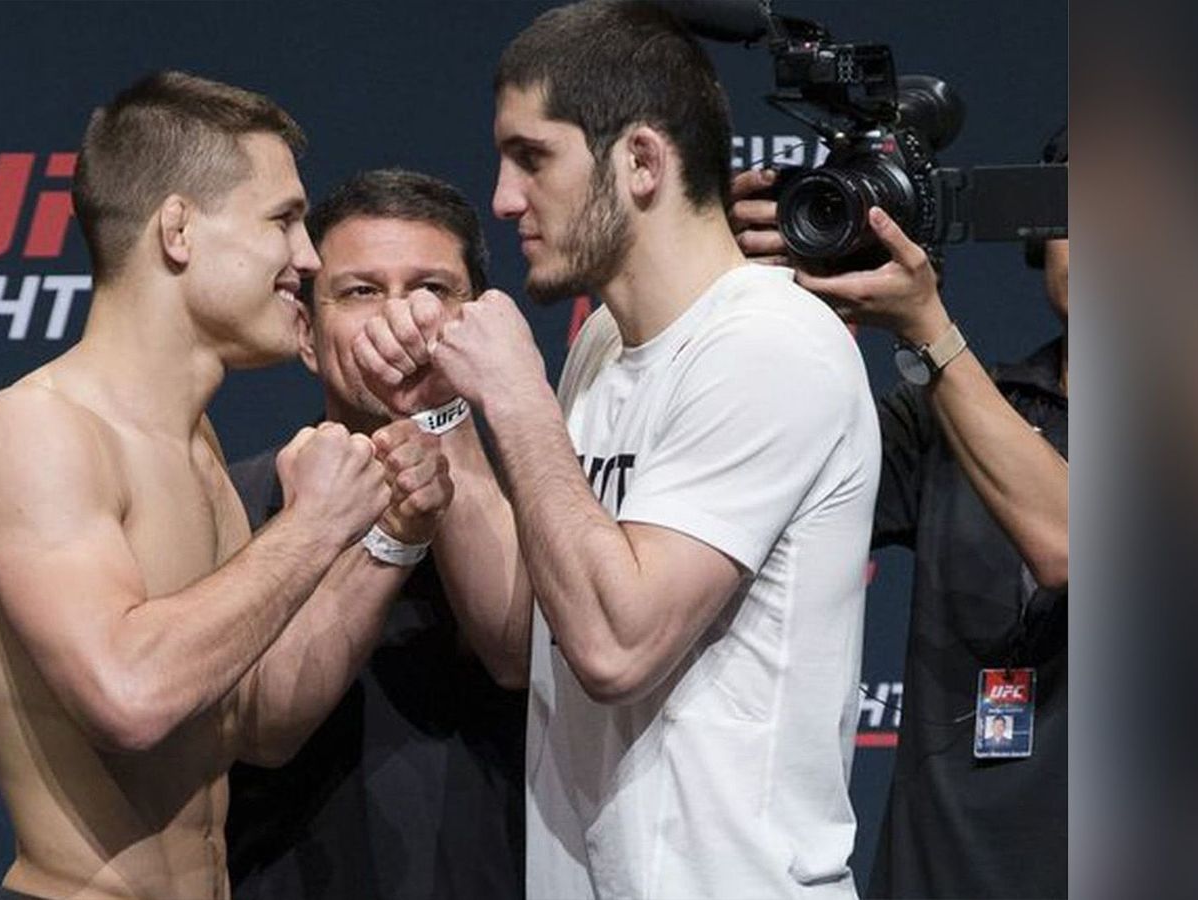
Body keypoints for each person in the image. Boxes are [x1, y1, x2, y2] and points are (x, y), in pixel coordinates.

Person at [351, 3, 882, 896]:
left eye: (532, 157)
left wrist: (517, 397)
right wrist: (447, 417)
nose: (504, 198)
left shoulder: (767, 345)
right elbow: (526, 642)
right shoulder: (601, 343)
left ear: (641, 160)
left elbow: (613, 646)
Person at [0, 71, 453, 900]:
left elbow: (261, 724)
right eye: (282, 220)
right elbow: (129, 697)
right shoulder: (38, 431)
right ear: (177, 229)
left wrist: (390, 537)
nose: (307, 257)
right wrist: (314, 524)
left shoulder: (194, 445)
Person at [732, 125, 1070, 898]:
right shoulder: (952, 409)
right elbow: (755, 482)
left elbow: (1065, 542)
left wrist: (928, 329)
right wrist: (724, 287)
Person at [222, 169, 526, 900]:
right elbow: (262, 731)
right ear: (306, 333)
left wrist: (437, 413)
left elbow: (517, 653)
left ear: (476, 323)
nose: (402, 319)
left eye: (432, 290)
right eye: (361, 291)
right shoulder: (229, 502)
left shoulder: (543, 501)